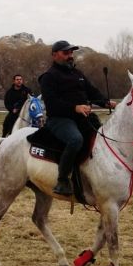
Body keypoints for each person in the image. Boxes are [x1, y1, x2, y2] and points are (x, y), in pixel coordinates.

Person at [39, 41, 117, 196]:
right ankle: (62, 180)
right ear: (55, 55)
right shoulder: (48, 77)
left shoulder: (78, 74)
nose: (70, 55)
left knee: (102, 135)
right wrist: (75, 108)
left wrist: (106, 102)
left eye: (71, 53)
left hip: (82, 118)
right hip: (59, 120)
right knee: (75, 140)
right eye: (66, 53)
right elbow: (52, 103)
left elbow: (92, 92)